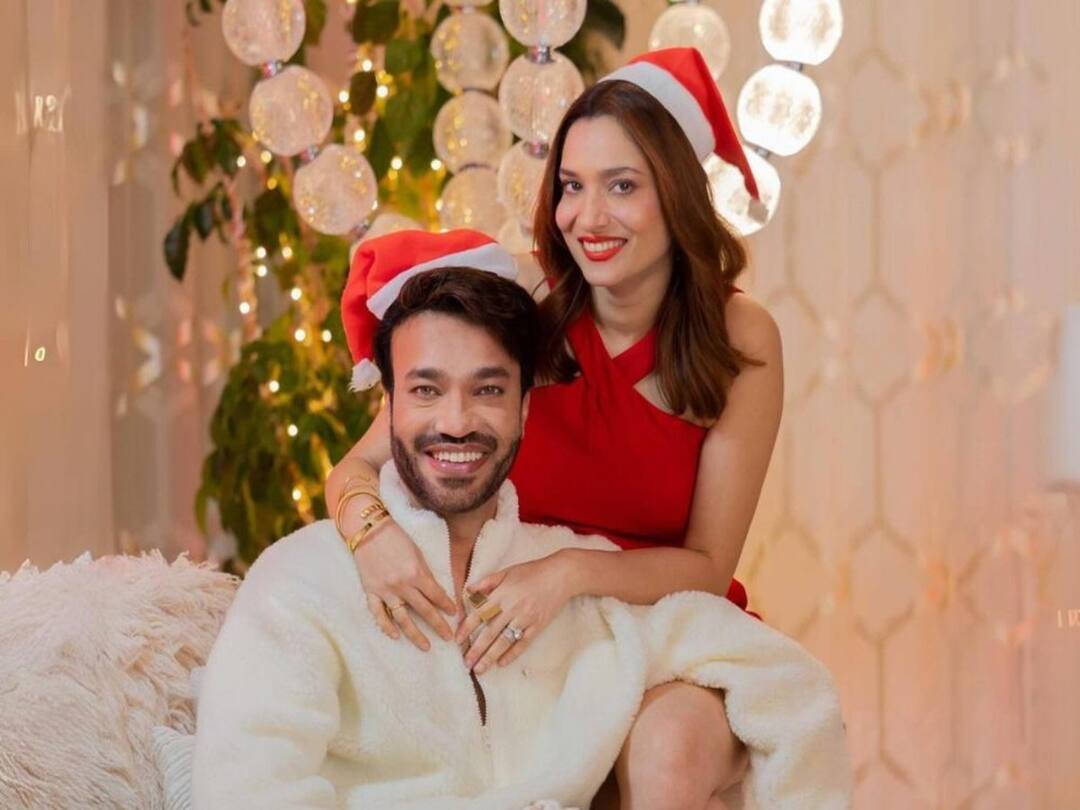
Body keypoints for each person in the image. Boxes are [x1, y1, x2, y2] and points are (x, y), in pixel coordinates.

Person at [191, 237, 851, 809]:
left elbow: (779, 681)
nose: (456, 421)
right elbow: (248, 790)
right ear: (388, 405)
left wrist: (567, 575)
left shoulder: (568, 586)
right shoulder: (300, 588)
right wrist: (369, 533)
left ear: (526, 409)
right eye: (426, 390)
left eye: (487, 390)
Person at [326, 48, 784, 810]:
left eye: (622, 186)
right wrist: (371, 537)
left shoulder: (743, 337)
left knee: (669, 753)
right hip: (519, 637)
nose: (587, 217)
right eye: (572, 186)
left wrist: (569, 572)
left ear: (676, 193)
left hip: (665, 632)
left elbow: (708, 564)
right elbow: (354, 469)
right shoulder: (519, 298)